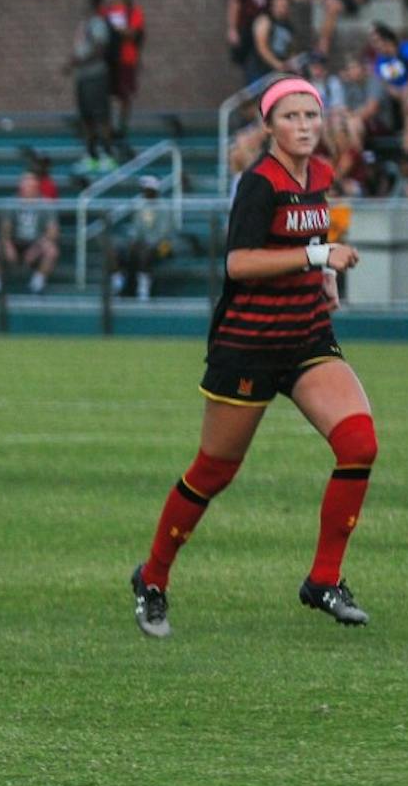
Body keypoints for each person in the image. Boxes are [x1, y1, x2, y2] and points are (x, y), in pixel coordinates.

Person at [130, 76, 377, 638]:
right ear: (268, 126)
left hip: (306, 336)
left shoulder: (318, 174)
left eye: (311, 115)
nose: (305, 126)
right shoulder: (258, 183)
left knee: (359, 443)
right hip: (250, 343)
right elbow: (239, 264)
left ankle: (324, 580)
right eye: (291, 117)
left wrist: (323, 278)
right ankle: (153, 577)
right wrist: (317, 254)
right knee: (215, 470)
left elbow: (303, 245)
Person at [72, 0, 117, 173]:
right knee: (86, 117)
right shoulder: (84, 24)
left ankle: (108, 154)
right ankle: (91, 156)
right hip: (82, 76)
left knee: (101, 115)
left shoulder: (98, 23)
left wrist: (79, 60)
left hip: (96, 75)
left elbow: (100, 48)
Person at [110, 175, 174, 300]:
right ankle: (118, 286)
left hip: (164, 245)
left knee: (146, 252)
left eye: (148, 189)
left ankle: (143, 289)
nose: (145, 192)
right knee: (117, 251)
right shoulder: (139, 205)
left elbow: (164, 233)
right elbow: (136, 229)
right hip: (142, 244)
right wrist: (134, 240)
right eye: (144, 189)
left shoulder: (164, 207)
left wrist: (147, 243)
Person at [0, 172, 61, 295]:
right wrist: (7, 245)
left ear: (37, 187)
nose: (28, 187)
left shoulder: (46, 204)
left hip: (36, 241)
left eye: (31, 185)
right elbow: (5, 228)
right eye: (26, 184)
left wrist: (37, 247)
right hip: (15, 241)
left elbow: (53, 231)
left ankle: (36, 285)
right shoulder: (10, 202)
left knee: (52, 250)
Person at [104, 0, 147, 147]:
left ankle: (121, 127)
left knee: (125, 96)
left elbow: (133, 34)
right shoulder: (109, 10)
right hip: (111, 60)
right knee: (107, 95)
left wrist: (116, 31)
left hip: (127, 59)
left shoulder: (135, 11)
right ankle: (107, 129)